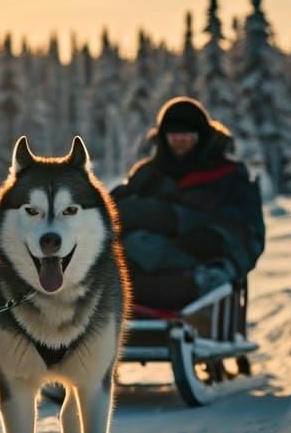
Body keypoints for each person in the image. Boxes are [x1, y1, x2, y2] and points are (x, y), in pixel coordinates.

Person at [111, 96, 265, 310]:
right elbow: (114, 211)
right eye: (173, 135)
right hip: (144, 262)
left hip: (204, 263)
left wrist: (192, 229)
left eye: (187, 135)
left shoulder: (229, 176)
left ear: (201, 136)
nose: (180, 140)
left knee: (210, 277)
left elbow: (248, 233)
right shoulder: (148, 175)